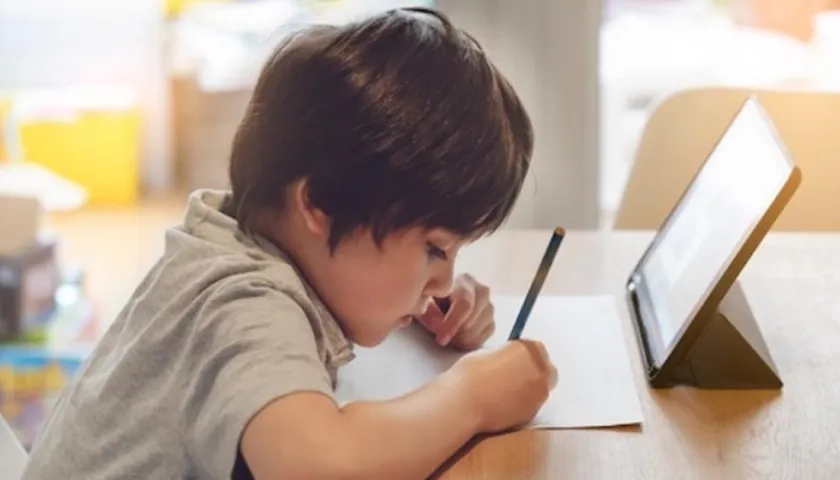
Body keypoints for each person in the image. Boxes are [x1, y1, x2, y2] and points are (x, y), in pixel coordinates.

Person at [23, 7, 557, 480]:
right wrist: (472, 398)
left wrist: (416, 301)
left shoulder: (239, 238)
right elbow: (315, 465)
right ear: (320, 203)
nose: (443, 281)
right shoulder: (242, 300)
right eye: (434, 250)